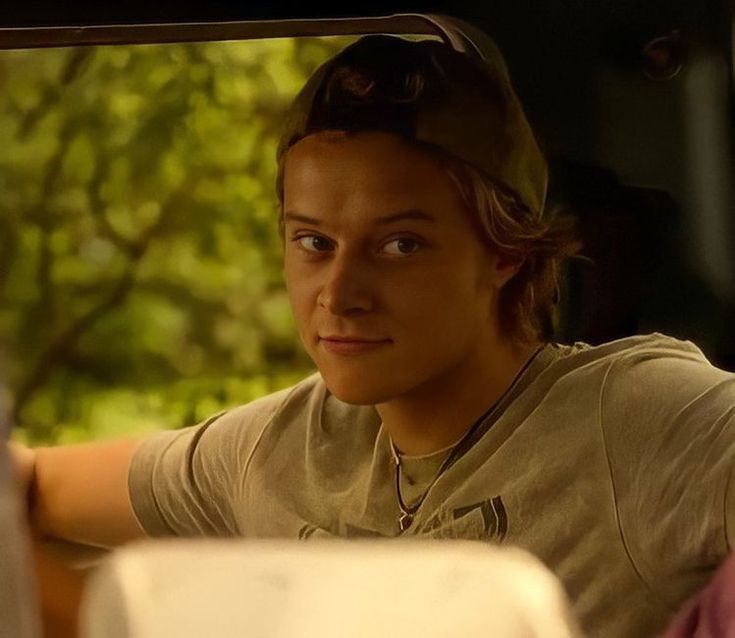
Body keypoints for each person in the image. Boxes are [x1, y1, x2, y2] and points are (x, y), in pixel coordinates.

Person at [9, 35, 735, 637]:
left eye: (400, 246)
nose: (339, 294)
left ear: (504, 251)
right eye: (314, 242)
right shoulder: (281, 446)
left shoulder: (637, 418)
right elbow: (29, 482)